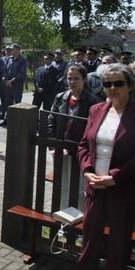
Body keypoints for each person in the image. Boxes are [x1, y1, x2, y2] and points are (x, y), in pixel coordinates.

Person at [59, 64, 135, 270]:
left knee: (119, 239)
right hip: (94, 185)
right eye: (108, 84)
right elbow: (82, 145)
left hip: (122, 187)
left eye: (119, 83)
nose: (112, 88)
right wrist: (87, 171)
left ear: (130, 85)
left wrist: (114, 177)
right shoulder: (96, 109)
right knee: (90, 233)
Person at [47, 64, 99, 211]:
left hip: (80, 152)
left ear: (84, 79)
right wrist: (53, 146)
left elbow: (92, 129)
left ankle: (78, 223)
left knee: (79, 188)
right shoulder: (60, 97)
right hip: (60, 149)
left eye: (76, 78)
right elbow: (52, 119)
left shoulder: (92, 101)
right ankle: (63, 219)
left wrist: (77, 149)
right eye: (69, 78)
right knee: (62, 185)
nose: (72, 81)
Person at [2, 44, 28, 123]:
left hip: (17, 85)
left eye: (12, 49)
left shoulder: (23, 60)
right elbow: (4, 70)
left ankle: (17, 121)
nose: (10, 51)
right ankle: (8, 119)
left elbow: (21, 73)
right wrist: (6, 80)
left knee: (17, 103)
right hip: (7, 85)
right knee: (8, 102)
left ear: (17, 50)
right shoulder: (8, 59)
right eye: (10, 49)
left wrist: (12, 81)